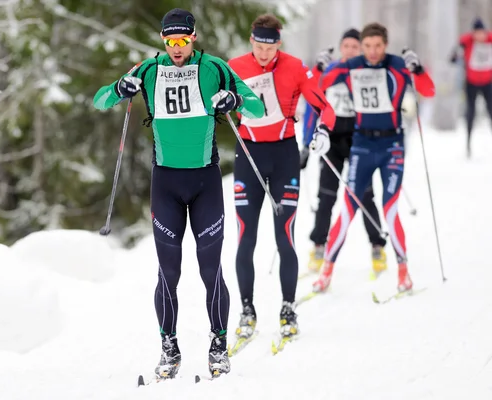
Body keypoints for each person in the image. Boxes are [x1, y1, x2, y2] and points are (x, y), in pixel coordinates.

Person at [92, 8, 264, 378]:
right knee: (168, 272)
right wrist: (119, 89)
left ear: (194, 38)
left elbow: (257, 105)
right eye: (170, 41)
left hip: (204, 183)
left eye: (183, 40)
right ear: (162, 40)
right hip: (166, 184)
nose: (177, 48)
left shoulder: (214, 68)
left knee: (210, 270)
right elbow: (100, 100)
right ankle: (169, 349)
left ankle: (219, 346)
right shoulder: (148, 70)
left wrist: (235, 100)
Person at [226, 14, 335, 345]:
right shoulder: (234, 66)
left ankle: (288, 310)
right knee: (246, 238)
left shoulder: (294, 67)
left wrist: (322, 131)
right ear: (251, 42)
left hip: (285, 156)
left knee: (284, 236)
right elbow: (211, 103)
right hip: (248, 155)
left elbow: (324, 107)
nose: (263, 54)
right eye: (258, 47)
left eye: (269, 48)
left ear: (279, 45)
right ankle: (247, 311)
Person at [310, 22, 435, 294]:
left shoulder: (397, 64)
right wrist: (320, 66)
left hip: (391, 145)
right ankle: (326, 272)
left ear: (385, 45)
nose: (373, 52)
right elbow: (317, 86)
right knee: (347, 209)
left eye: (378, 46)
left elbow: (429, 90)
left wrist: (419, 68)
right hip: (362, 144)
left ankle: (403, 272)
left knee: (390, 210)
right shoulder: (352, 64)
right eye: (367, 46)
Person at [301, 28, 387, 276]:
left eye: (355, 47)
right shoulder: (330, 71)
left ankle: (377, 245)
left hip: (360, 140)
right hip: (332, 139)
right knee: (326, 195)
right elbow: (312, 107)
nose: (350, 50)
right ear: (341, 48)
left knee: (365, 194)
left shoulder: (364, 72)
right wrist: (307, 144)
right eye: (346, 46)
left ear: (360, 50)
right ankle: (319, 246)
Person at [450, 17, 492, 157]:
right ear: (473, 33)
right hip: (471, 82)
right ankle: (468, 144)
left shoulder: (490, 39)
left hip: (488, 81)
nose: (480, 36)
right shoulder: (466, 41)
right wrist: (456, 54)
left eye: (482, 33)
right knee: (470, 112)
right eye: (477, 33)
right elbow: (453, 57)